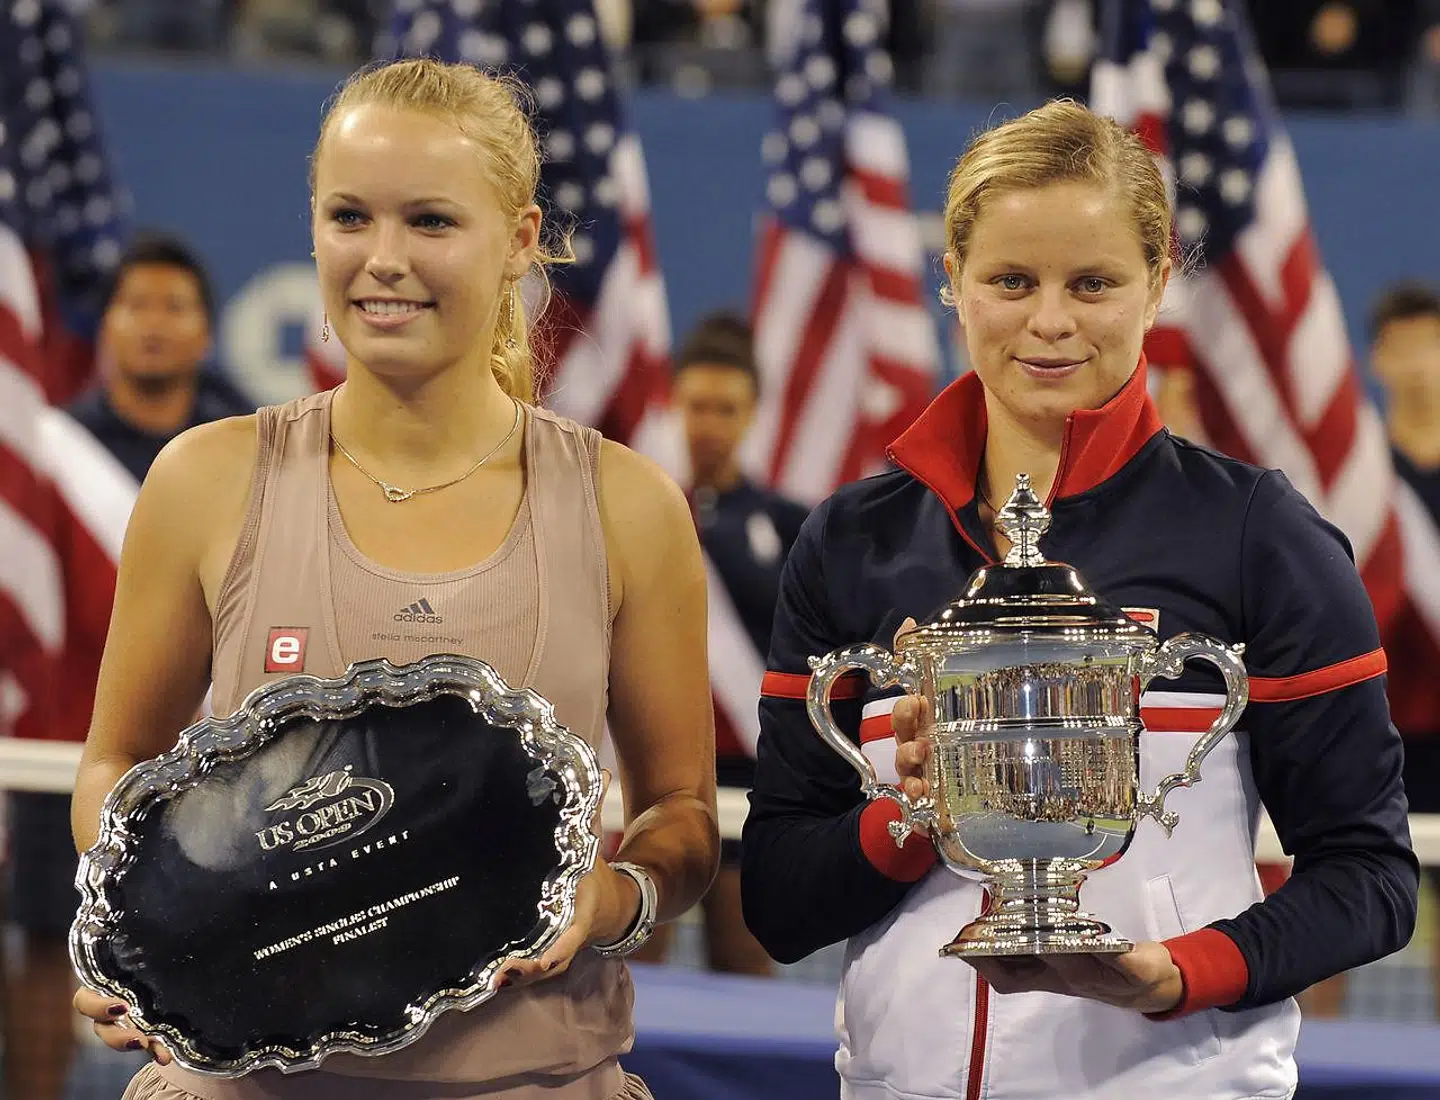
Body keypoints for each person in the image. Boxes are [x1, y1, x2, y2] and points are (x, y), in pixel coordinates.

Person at [67, 57, 719, 1100]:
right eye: (349, 216)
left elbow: (682, 806)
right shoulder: (202, 480)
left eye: (429, 221)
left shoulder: (629, 506)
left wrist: (609, 897)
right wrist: (139, 917)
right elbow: (118, 763)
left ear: (517, 239)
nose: (382, 261)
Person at [741, 99, 1418, 1099]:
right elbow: (779, 898)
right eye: (1010, 280)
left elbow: (1370, 876)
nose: (1049, 321)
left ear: (1155, 286)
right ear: (951, 283)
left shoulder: (1258, 535)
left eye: (1092, 283)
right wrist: (910, 816)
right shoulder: (852, 542)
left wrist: (1177, 970)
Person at [2, 231, 251, 1100]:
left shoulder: (245, 455)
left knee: (214, 957)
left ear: (204, 334)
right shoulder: (44, 456)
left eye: (172, 306)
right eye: (133, 304)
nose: (151, 323)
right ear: (104, 327)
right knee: (44, 952)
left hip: (219, 765)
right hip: (65, 752)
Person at [629, 310, 807, 975]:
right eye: (697, 406)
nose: (710, 423)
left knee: (746, 973)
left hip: (751, 780)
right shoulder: (642, 512)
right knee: (633, 971)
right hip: (651, 768)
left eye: (726, 408)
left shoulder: (791, 525)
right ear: (675, 406)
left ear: (753, 413)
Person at [1301, 280, 1440, 1019]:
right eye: (1404, 348)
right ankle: (1314, 1076)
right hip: (1374, 728)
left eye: (1433, 345)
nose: (1420, 364)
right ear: (1378, 361)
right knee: (1334, 915)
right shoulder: (1357, 487)